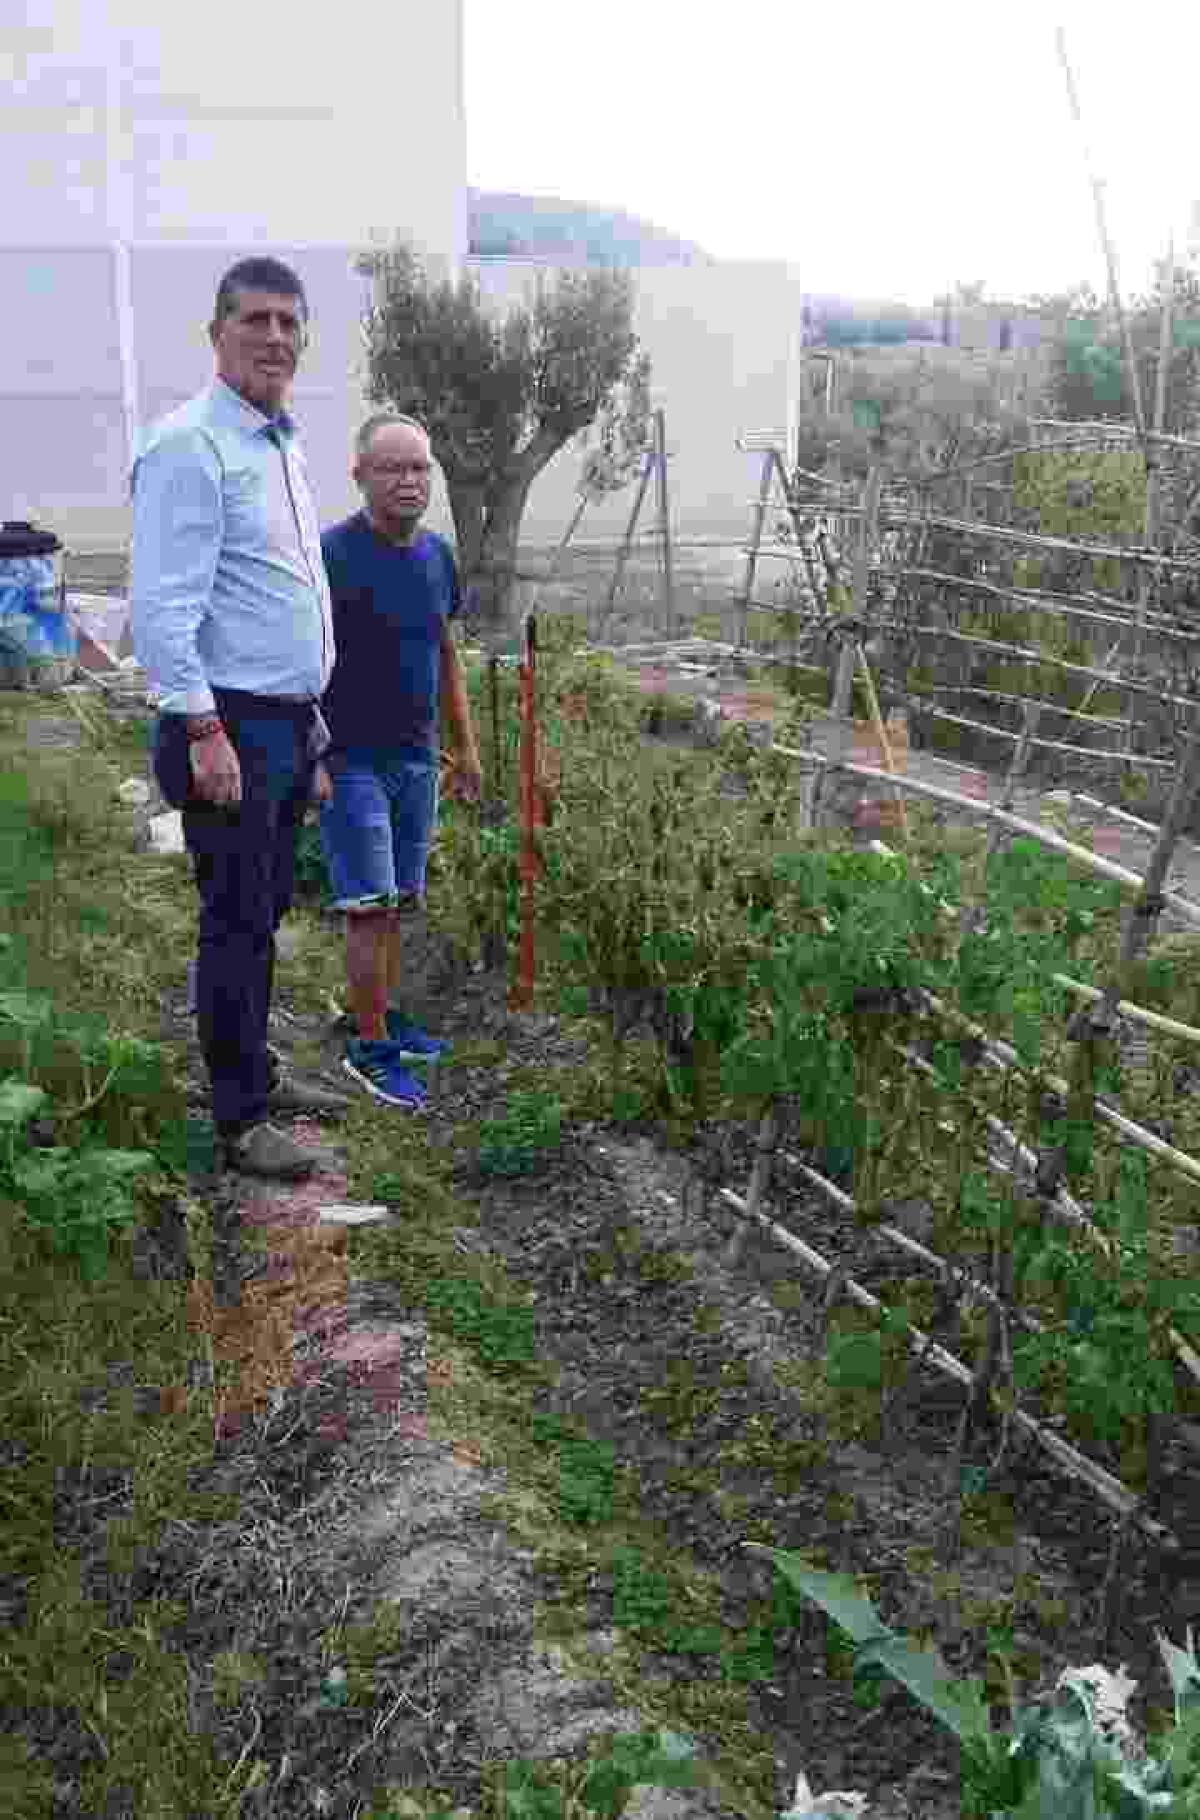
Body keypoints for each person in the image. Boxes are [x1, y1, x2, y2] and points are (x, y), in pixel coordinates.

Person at [131, 255, 350, 1183]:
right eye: (255, 320)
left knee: (263, 910)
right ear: (216, 332)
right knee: (234, 920)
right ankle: (238, 1118)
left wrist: (316, 729)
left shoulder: (278, 443)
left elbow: (276, 595)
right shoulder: (193, 445)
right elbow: (163, 608)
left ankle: (255, 1072)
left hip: (284, 721)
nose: (275, 338)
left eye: (289, 323)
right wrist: (203, 730)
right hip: (228, 726)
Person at [317, 412, 482, 1105]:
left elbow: (445, 652)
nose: (409, 480)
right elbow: (300, 661)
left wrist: (465, 746)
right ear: (360, 476)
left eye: (420, 468)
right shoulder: (328, 556)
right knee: (368, 905)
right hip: (350, 759)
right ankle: (370, 1045)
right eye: (393, 468)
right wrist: (310, 756)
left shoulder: (438, 556)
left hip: (417, 760)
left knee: (400, 902)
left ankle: (379, 1012)